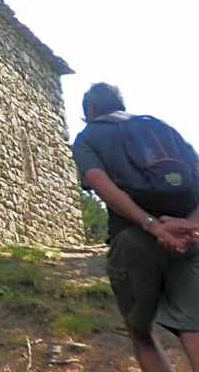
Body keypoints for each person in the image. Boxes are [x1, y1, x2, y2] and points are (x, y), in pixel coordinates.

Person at [72, 82, 199, 372]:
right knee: (195, 328)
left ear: (90, 110)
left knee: (141, 332)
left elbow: (101, 185)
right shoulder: (161, 129)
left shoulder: (89, 137)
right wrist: (189, 225)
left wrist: (153, 226)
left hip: (133, 240)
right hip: (189, 239)